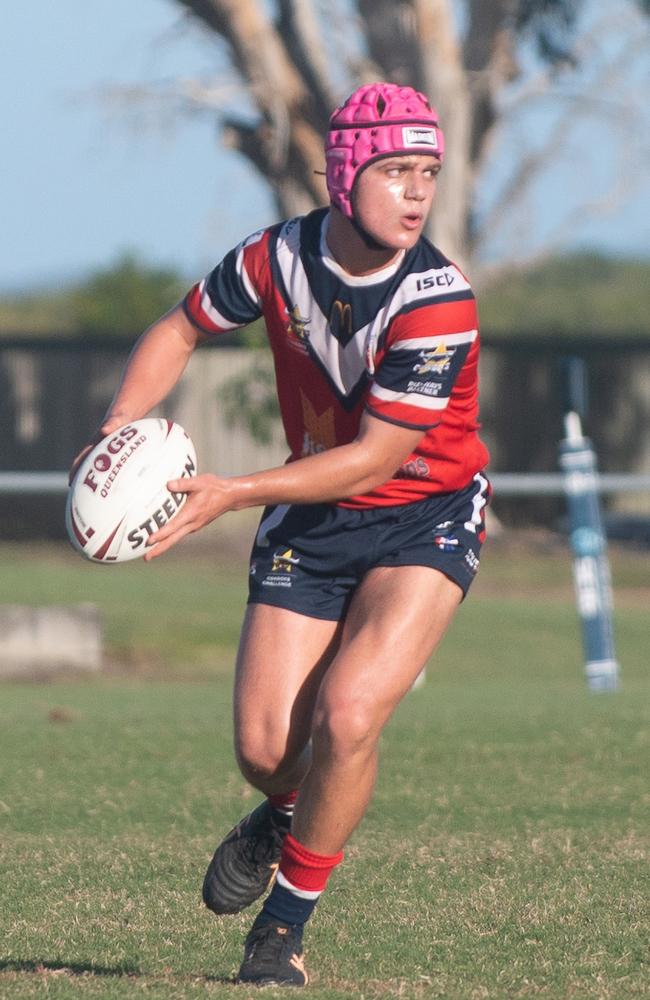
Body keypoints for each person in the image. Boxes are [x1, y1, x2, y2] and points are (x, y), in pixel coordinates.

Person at [72, 82, 490, 987]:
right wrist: (120, 431)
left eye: (428, 173)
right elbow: (182, 330)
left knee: (349, 714)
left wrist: (234, 492)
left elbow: (376, 460)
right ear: (344, 176)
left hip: (423, 513)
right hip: (314, 513)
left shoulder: (438, 300)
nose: (418, 193)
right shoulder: (274, 259)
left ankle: (282, 930)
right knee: (267, 755)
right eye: (396, 172)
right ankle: (284, 811)